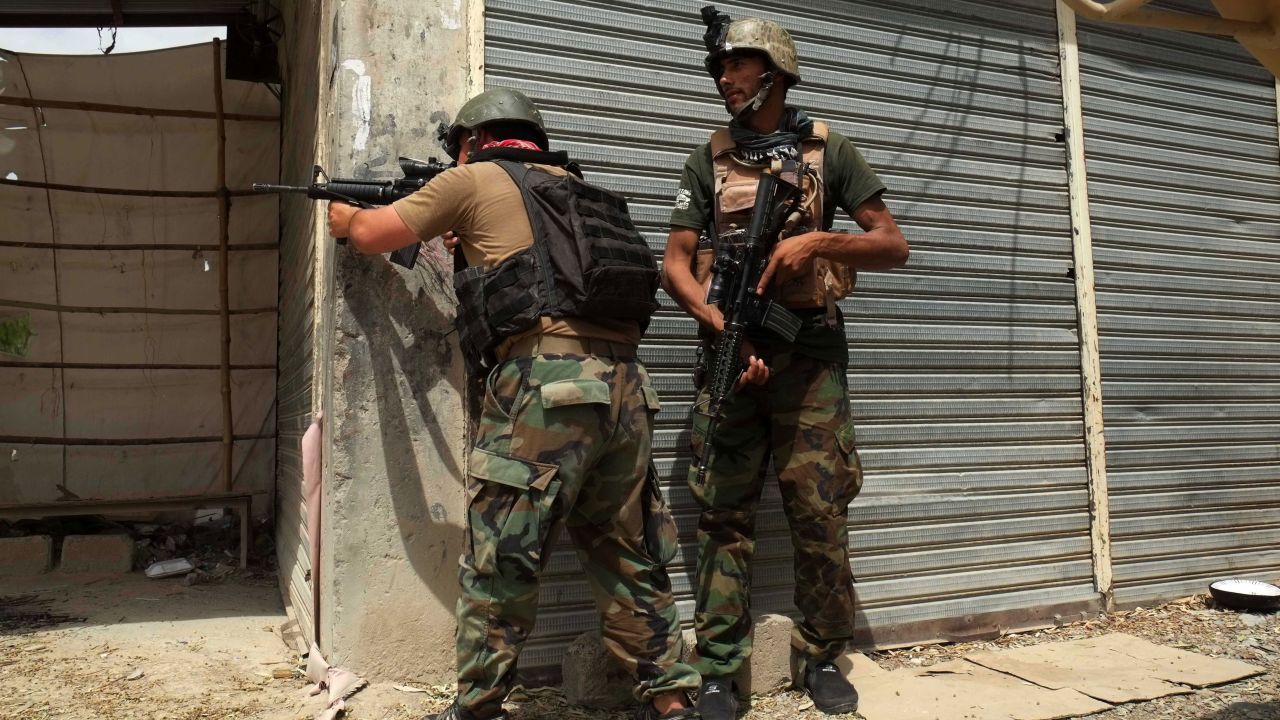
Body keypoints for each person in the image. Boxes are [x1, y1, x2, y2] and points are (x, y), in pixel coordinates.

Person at [328, 87, 701, 720]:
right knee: (629, 555)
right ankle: (673, 703)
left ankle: (478, 708)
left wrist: (341, 216)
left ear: (473, 139)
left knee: (500, 557)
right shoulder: (576, 192)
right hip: (627, 393)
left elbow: (371, 232)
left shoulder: (473, 177)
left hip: (545, 390)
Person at [660, 9, 909, 720]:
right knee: (723, 517)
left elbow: (893, 245)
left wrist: (818, 245)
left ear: (773, 70)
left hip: (812, 363)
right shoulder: (707, 158)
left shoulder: (830, 150)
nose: (723, 78)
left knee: (819, 512)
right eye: (719, 68)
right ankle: (718, 673)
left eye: (735, 65)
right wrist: (719, 325)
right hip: (733, 359)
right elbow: (675, 265)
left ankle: (823, 656)